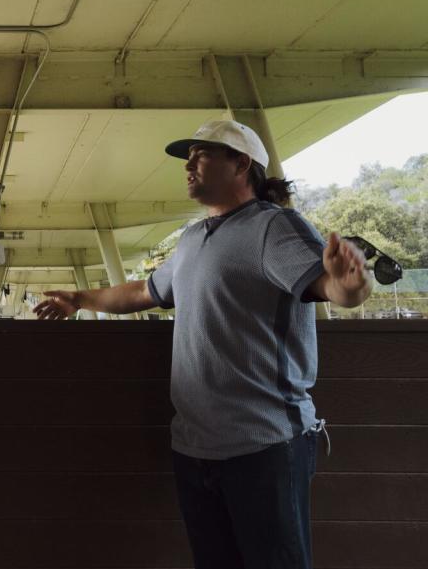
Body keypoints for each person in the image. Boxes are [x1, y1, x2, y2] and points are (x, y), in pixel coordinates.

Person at [34, 120, 373, 569]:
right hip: (195, 447)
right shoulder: (194, 238)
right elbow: (144, 292)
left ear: (242, 164)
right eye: (188, 156)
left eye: (203, 153)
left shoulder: (274, 227)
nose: (189, 164)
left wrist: (353, 286)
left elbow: (329, 287)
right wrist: (80, 298)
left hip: (266, 444)